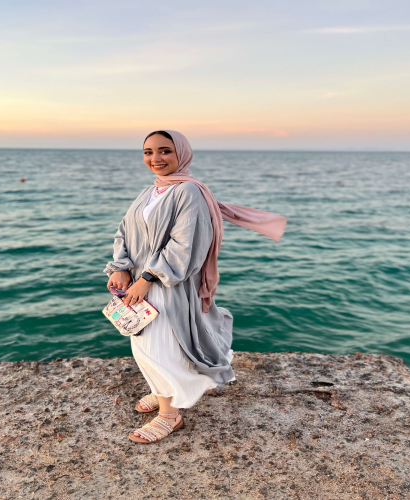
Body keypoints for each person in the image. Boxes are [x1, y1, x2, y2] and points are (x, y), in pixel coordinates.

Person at [104, 130, 286, 444]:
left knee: (159, 346)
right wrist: (120, 267)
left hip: (165, 284)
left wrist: (147, 279)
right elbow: (123, 232)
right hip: (137, 282)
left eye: (164, 151)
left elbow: (185, 246)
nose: (155, 159)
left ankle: (169, 416)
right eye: (148, 152)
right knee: (145, 344)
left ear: (181, 154)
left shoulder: (188, 191)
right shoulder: (151, 191)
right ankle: (164, 393)